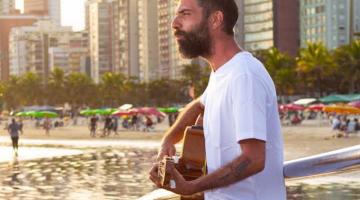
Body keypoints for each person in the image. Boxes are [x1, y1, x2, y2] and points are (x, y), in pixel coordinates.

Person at [149, 0, 286, 199]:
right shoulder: (222, 73)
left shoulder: (244, 75)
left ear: (215, 19)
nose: (174, 23)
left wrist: (192, 187)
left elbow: (254, 158)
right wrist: (168, 141)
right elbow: (199, 105)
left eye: (185, 14)